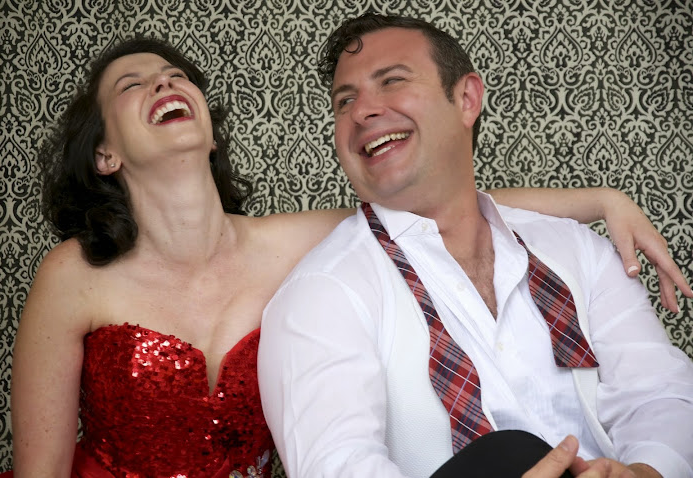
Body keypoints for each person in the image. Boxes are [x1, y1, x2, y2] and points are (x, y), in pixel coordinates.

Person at [2, 34, 688, 478]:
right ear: (104, 153)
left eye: (176, 75)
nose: (163, 83)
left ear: (210, 132)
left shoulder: (291, 243)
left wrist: (601, 200)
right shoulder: (73, 276)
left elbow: (439, 204)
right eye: (133, 84)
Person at [258, 13, 693, 478]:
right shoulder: (320, 294)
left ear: (466, 99)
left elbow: (662, 395)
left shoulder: (580, 251)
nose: (361, 111)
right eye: (345, 101)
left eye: (392, 81)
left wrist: (647, 472)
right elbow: (337, 465)